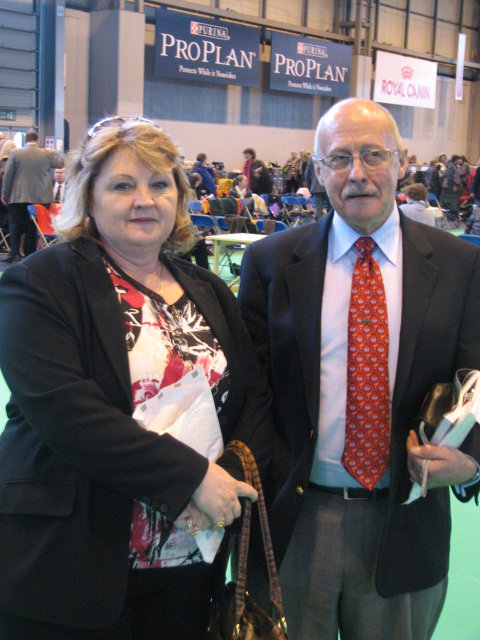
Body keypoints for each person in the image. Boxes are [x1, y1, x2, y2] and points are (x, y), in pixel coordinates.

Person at [0, 116, 272, 639]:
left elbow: (254, 396)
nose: (144, 200)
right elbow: (66, 412)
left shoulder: (208, 289)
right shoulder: (39, 282)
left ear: (179, 197)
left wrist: (230, 478)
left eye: (159, 184)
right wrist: (193, 479)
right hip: (68, 563)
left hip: (188, 563)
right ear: (89, 195)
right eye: (122, 185)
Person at [238, 98, 480, 640]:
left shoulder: (461, 266)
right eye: (340, 158)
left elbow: (478, 377)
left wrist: (472, 461)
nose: (357, 174)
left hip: (407, 521)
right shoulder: (271, 263)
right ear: (318, 169)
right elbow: (251, 392)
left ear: (401, 161)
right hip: (293, 525)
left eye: (373, 155)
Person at [1, 130, 64, 263]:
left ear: (26, 140)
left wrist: (5, 195)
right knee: (33, 227)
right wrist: (53, 151)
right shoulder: (46, 154)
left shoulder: (15, 153)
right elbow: (60, 164)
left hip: (19, 197)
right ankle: (30, 255)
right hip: (41, 198)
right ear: (37, 140)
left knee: (15, 225)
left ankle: (14, 253)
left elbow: (8, 175)